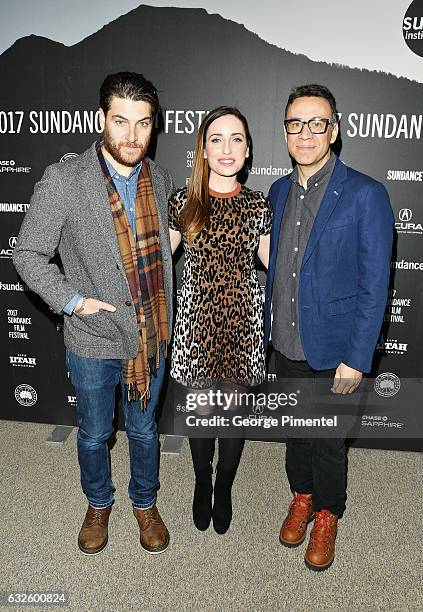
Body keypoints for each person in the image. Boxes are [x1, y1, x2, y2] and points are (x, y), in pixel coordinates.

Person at [13, 72, 175, 556]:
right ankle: (98, 503)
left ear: (153, 126)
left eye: (143, 124)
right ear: (101, 118)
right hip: (92, 336)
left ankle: (144, 503)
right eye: (121, 121)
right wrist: (74, 301)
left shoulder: (159, 178)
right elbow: (27, 254)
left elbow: (156, 250)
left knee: (145, 430)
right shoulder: (64, 179)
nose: (132, 136)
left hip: (149, 333)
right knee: (94, 433)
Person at [264, 84, 393, 570]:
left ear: (334, 130)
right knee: (296, 432)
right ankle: (302, 496)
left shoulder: (366, 194)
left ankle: (328, 514)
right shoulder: (277, 191)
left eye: (317, 123)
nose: (306, 133)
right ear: (285, 131)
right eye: (296, 124)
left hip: (336, 347)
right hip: (286, 341)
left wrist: (357, 359)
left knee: (328, 440)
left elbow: (374, 284)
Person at [168, 106, 271, 534]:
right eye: (216, 139)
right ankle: (200, 481)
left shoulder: (258, 205)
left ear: (247, 151)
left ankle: (224, 487)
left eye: (236, 139)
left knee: (231, 417)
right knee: (201, 413)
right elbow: (154, 265)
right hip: (195, 325)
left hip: (243, 326)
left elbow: (277, 266)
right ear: (203, 151)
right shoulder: (182, 202)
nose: (226, 148)